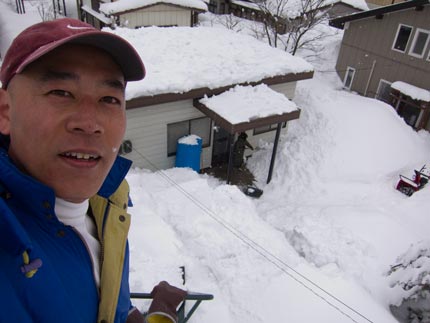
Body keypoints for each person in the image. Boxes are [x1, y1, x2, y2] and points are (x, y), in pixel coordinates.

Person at [0, 18, 185, 323]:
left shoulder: (107, 203)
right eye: (61, 92)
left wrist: (158, 315)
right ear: (5, 111)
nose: (89, 122)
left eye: (109, 99)